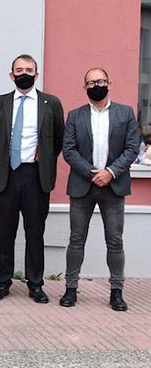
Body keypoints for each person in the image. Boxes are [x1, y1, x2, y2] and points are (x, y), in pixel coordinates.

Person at [0, 54, 64, 303]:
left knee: (35, 232)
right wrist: (4, 162)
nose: (24, 73)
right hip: (7, 175)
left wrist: (43, 163)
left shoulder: (51, 103)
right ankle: (2, 282)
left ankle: (35, 284)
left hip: (36, 175)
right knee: (5, 232)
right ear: (11, 75)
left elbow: (57, 140)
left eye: (29, 69)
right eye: (19, 69)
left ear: (37, 75)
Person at [60, 68, 139, 311]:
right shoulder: (75, 115)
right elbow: (69, 150)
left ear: (109, 83)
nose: (97, 85)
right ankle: (71, 289)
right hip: (83, 185)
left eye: (101, 81)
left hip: (113, 186)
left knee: (115, 241)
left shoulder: (125, 113)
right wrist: (93, 174)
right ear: (84, 87)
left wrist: (110, 172)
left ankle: (117, 291)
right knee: (76, 239)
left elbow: (132, 148)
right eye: (92, 82)